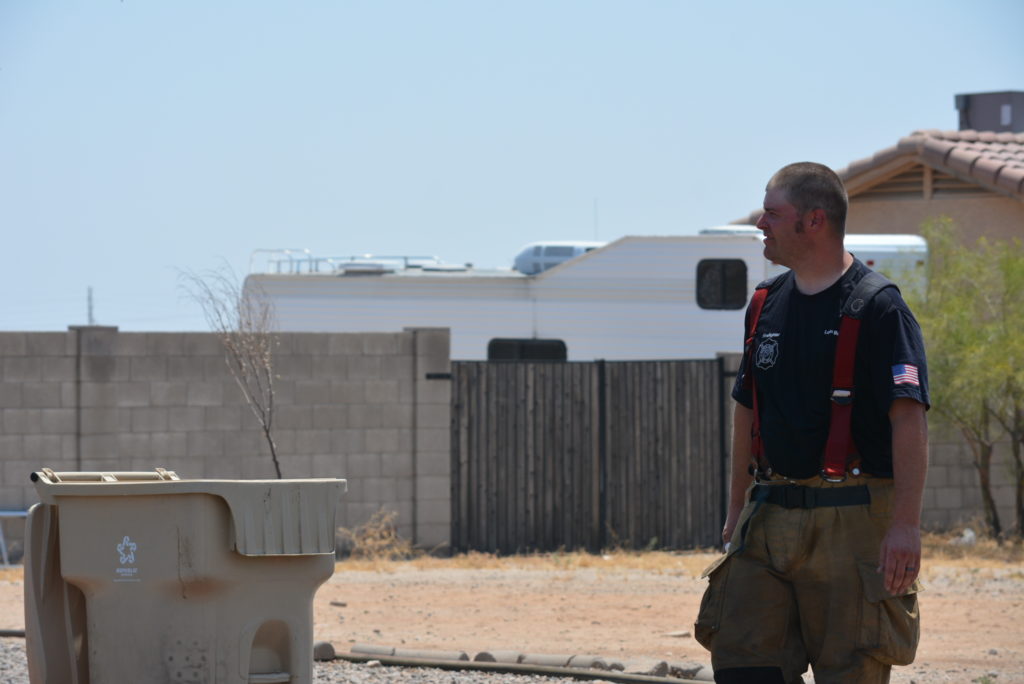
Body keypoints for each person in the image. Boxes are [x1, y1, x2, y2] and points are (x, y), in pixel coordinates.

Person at [694, 162, 930, 684]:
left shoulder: (880, 308)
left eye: (773, 213)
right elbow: (746, 408)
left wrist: (905, 526)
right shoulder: (764, 304)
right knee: (741, 663)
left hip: (853, 520)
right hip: (769, 515)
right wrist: (736, 507)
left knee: (850, 671)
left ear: (815, 221)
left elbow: (908, 418)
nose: (760, 223)